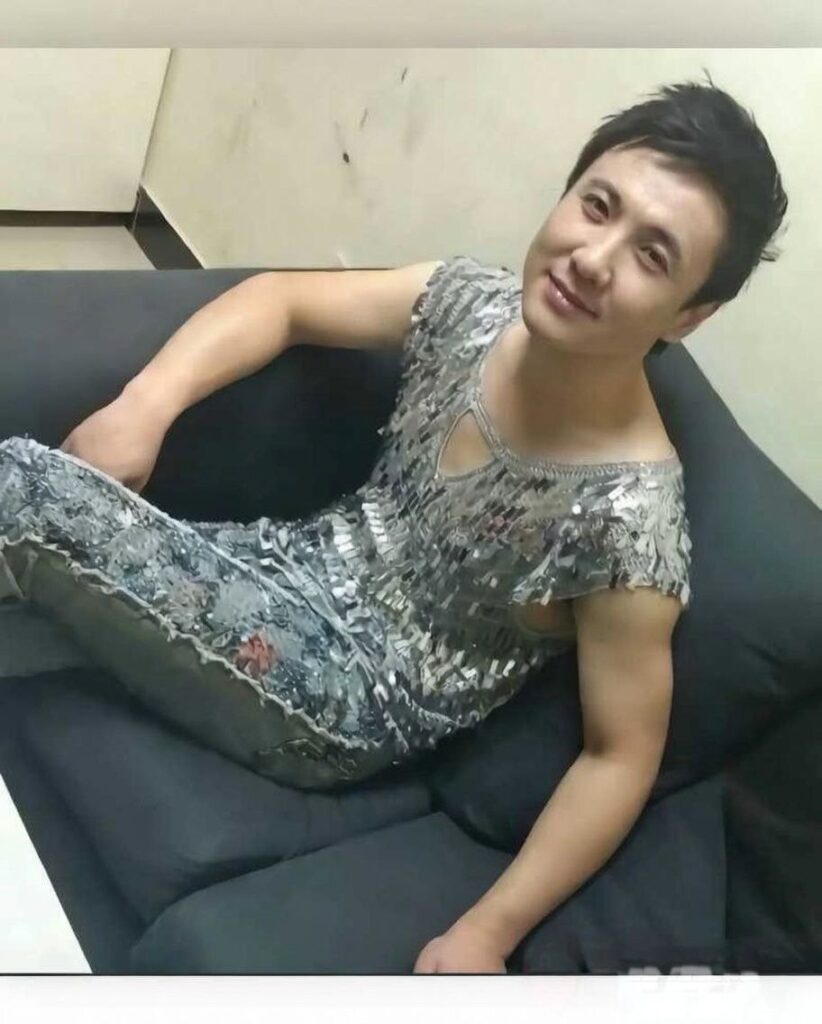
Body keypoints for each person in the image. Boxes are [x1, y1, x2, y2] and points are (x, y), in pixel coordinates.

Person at [0, 73, 787, 972]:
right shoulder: (472, 305)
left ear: (690, 315)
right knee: (24, 610)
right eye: (597, 206)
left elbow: (620, 757)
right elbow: (283, 301)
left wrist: (486, 934)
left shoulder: (629, 525)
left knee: (27, 491)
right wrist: (146, 403)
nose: (593, 259)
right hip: (268, 568)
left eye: (652, 255)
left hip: (343, 699)